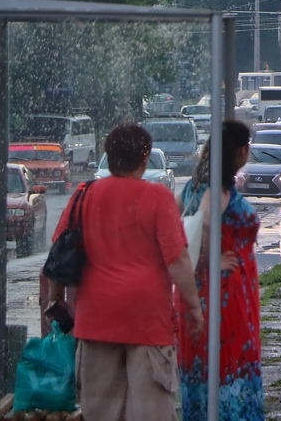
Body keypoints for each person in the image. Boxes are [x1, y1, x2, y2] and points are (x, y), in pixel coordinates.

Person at [48, 122, 202, 420]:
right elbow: (178, 260)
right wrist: (194, 308)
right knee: (150, 410)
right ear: (145, 157)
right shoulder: (157, 197)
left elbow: (59, 252)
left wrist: (55, 300)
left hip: (96, 319)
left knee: (101, 411)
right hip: (148, 320)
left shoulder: (83, 195)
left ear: (109, 154)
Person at [177, 120, 264, 420]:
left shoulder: (193, 184)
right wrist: (215, 259)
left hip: (201, 286)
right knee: (229, 362)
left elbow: (181, 224)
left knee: (202, 367)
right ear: (240, 150)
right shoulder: (217, 188)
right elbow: (205, 219)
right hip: (224, 291)